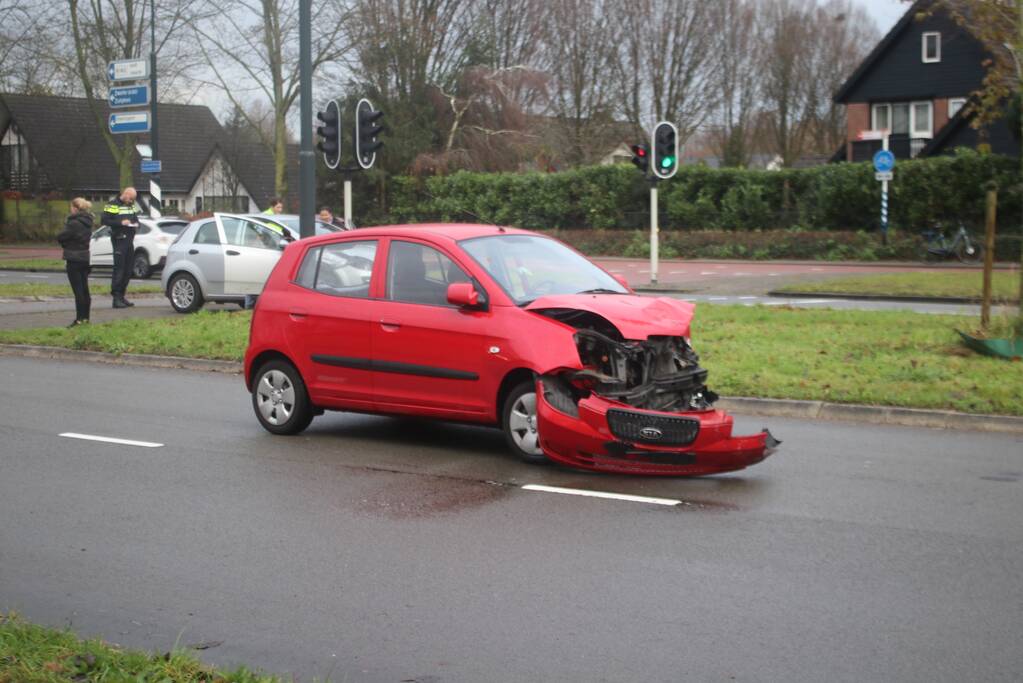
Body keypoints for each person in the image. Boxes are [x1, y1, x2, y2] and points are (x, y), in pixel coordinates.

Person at [57, 197, 94, 327]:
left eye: (71, 207)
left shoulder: (73, 223)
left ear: (75, 208)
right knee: (85, 289)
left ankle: (79, 319)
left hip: (73, 258)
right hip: (85, 257)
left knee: (77, 290)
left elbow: (61, 236)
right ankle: (86, 318)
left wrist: (66, 244)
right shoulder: (88, 222)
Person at [101, 187, 140, 309]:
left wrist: (136, 224)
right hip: (119, 239)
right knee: (119, 269)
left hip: (129, 239)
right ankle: (116, 298)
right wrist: (121, 223)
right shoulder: (112, 205)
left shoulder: (132, 205)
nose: (132, 201)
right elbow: (104, 220)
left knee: (128, 270)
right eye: (131, 198)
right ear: (126, 194)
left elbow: (135, 218)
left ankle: (122, 296)